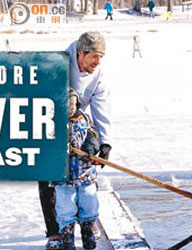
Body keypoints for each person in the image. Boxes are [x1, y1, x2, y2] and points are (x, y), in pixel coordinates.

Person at [39, 31, 112, 250]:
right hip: (49, 123)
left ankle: (87, 224)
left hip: (78, 124)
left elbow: (101, 107)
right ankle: (55, 233)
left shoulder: (98, 74)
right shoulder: (58, 65)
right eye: (94, 56)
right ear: (81, 54)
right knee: (50, 180)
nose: (98, 62)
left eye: (101, 57)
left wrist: (104, 142)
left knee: (84, 182)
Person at [55, 88, 100, 250]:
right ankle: (67, 235)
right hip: (62, 175)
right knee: (66, 205)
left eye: (73, 104)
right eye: (66, 104)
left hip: (84, 172)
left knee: (89, 202)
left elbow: (93, 136)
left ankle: (88, 231)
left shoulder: (84, 119)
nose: (70, 108)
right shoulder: (51, 120)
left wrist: (90, 149)